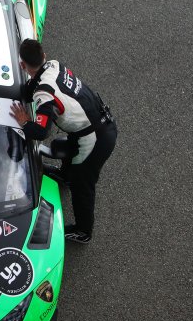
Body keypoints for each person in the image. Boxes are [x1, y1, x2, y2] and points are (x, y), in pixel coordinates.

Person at [9, 39, 117, 244]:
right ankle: (65, 176)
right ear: (44, 56)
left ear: (22, 65)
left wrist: (24, 122)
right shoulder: (53, 65)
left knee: (82, 184)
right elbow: (28, 91)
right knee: (64, 147)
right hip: (96, 125)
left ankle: (83, 231)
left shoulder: (44, 92)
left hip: (96, 138)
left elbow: (41, 132)